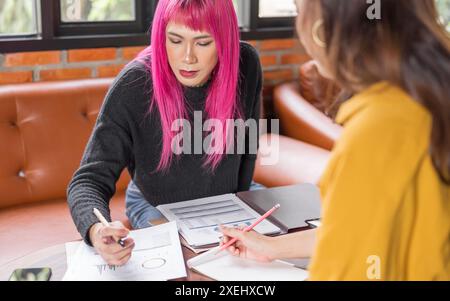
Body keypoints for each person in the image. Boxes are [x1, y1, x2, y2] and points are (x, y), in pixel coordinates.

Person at [220, 0, 450, 280]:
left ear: (321, 28)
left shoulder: (377, 129)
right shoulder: (423, 98)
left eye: (298, 9)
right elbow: (356, 226)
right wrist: (270, 246)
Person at [67, 0, 263, 266]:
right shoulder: (134, 84)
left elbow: (247, 149)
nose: (187, 57)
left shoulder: (246, 64)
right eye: (175, 40)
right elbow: (88, 180)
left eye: (203, 42)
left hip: (225, 201)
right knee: (191, 265)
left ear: (225, 41)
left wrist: (236, 208)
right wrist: (96, 229)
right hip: (156, 203)